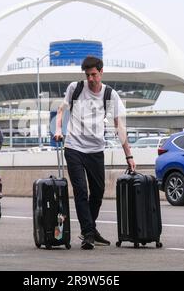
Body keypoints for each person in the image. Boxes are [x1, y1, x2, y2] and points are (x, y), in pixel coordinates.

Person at [54, 56, 136, 250]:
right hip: (74, 146)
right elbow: (61, 110)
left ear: (101, 72)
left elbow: (119, 127)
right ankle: (89, 233)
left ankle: (89, 228)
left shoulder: (110, 94)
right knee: (81, 191)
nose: (90, 79)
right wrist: (58, 129)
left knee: (98, 193)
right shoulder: (76, 88)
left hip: (96, 150)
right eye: (87, 75)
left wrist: (129, 155)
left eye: (94, 74)